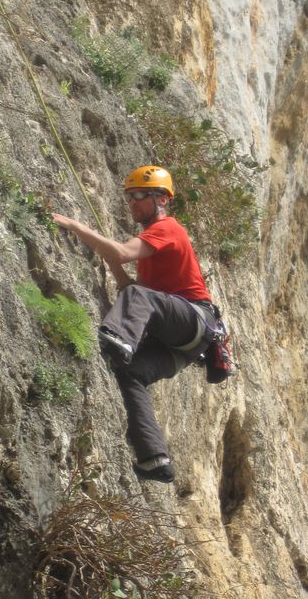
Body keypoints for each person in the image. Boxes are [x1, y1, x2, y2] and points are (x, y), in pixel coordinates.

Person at [52, 165, 217, 483]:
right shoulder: (151, 243)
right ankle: (153, 457)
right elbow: (128, 283)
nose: (133, 203)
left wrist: (73, 225)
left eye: (141, 195)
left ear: (162, 199)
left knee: (141, 299)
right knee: (129, 373)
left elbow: (124, 255)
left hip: (195, 319)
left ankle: (119, 338)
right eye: (129, 197)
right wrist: (116, 267)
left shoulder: (168, 229)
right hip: (180, 346)